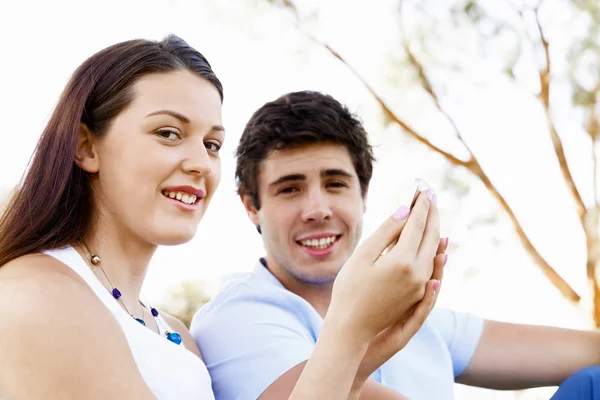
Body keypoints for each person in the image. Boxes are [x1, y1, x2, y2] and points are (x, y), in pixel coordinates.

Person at [0, 37, 442, 400]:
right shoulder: (38, 293)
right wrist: (349, 328)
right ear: (86, 147)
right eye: (168, 133)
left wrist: (362, 350)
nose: (200, 163)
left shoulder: (174, 335)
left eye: (212, 144)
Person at [190, 90, 600, 400]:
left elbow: (581, 352)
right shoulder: (234, 318)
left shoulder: (410, 309)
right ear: (251, 207)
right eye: (289, 189)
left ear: (363, 195)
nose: (316, 209)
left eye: (335, 184)